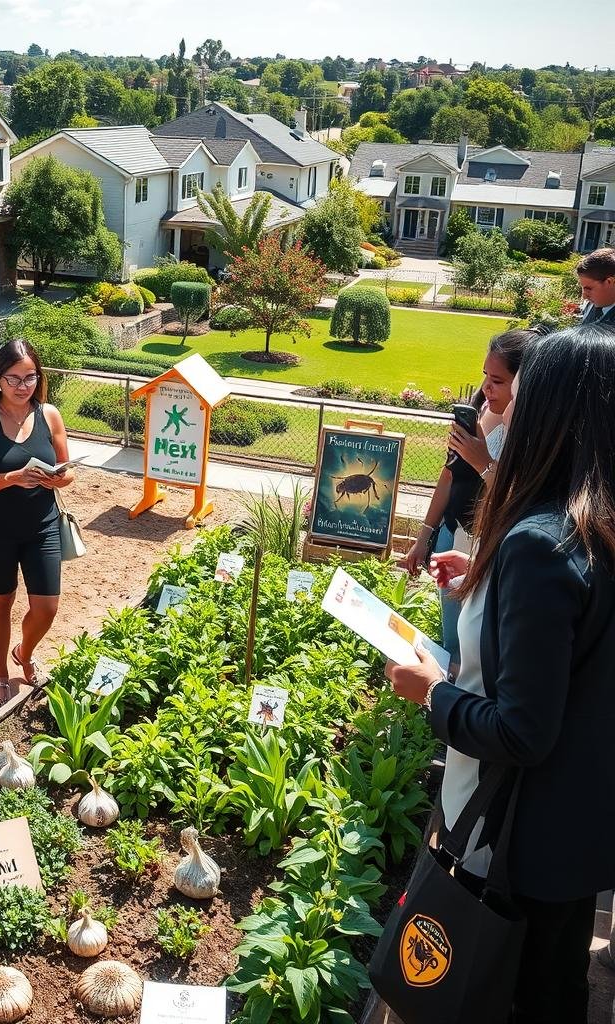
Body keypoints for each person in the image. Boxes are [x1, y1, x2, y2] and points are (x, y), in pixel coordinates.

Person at [386, 324, 615, 1023]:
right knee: (560, 981)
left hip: (529, 840)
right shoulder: (595, 521)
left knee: (523, 993)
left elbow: (521, 731)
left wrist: (434, 694)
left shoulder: (542, 545)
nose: (504, 407)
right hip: (586, 822)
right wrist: (486, 583)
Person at [400, 329, 536, 661]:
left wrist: (484, 463)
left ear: (525, 383)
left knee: (477, 647)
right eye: (485, 375)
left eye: (498, 381)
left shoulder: (533, 434)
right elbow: (450, 474)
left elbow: (520, 503)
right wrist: (424, 536)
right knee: (453, 639)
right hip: (456, 533)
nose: (486, 387)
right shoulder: (481, 411)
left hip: (491, 545)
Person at [0, 339, 74, 707]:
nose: (23, 386)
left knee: (47, 607)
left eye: (30, 377)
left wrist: (58, 479)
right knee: (0, 601)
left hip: (43, 526)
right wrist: (11, 477)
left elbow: (68, 470)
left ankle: (23, 652)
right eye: (14, 378)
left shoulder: (49, 414)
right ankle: (0, 672)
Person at [576, 247, 615, 325]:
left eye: (589, 289)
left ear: (610, 281)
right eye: (582, 288)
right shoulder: (592, 305)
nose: (584, 296)